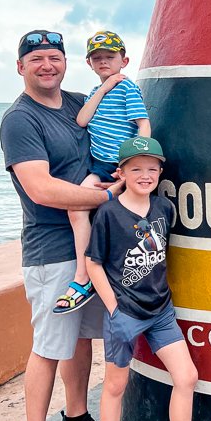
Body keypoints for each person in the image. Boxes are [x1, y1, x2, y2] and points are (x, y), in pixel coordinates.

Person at [0, 29, 124, 421]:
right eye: (37, 59)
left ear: (67, 63)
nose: (47, 65)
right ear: (21, 67)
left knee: (80, 338)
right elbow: (41, 188)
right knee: (50, 345)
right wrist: (113, 196)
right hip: (52, 249)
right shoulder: (20, 120)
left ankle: (75, 419)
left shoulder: (76, 103)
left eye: (55, 57)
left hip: (91, 244)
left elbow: (119, 124)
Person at [84, 136, 208, 421]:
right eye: (136, 168)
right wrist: (113, 308)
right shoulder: (108, 214)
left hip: (160, 312)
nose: (145, 174)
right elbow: (93, 263)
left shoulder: (164, 209)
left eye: (152, 168)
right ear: (120, 173)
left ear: (160, 172)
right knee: (115, 387)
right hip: (123, 314)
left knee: (187, 377)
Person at [53, 30, 151, 315]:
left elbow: (143, 125)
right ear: (89, 64)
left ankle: (121, 278)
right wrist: (104, 88)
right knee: (76, 208)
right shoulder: (99, 92)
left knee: (128, 218)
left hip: (123, 163)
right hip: (99, 166)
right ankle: (83, 277)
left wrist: (134, 164)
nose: (103, 62)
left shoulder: (127, 88)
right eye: (97, 58)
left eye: (110, 57)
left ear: (124, 60)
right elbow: (82, 121)